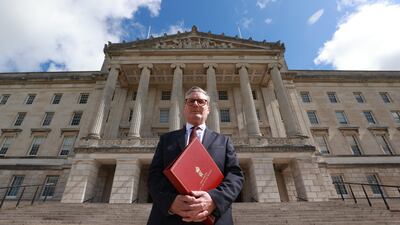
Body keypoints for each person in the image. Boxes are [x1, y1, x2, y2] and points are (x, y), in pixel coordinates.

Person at [147, 86, 244, 225]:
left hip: (213, 218)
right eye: (191, 101)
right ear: (184, 108)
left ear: (208, 109)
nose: (196, 104)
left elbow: (235, 176)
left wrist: (213, 199)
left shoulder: (224, 141)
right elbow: (154, 175)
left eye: (201, 101)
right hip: (169, 219)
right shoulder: (166, 140)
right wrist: (170, 201)